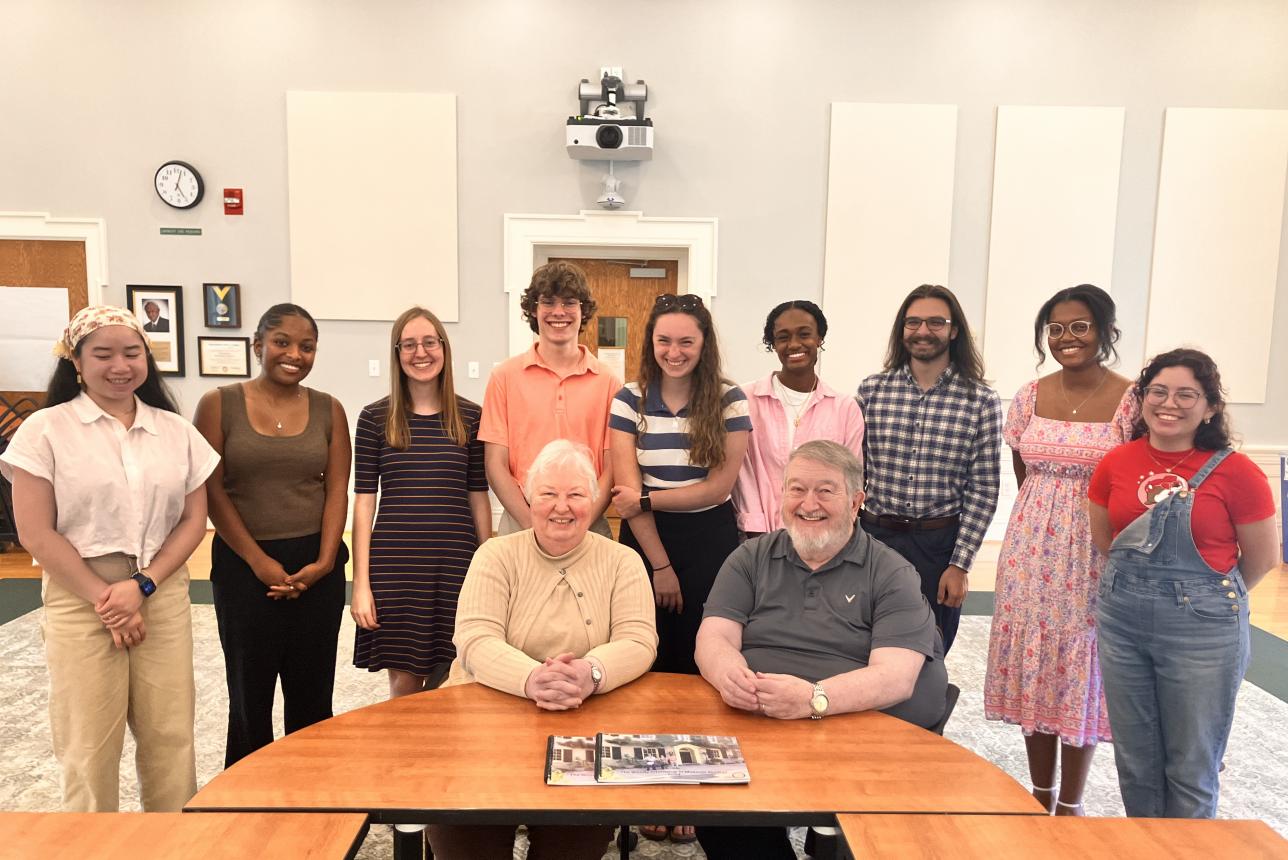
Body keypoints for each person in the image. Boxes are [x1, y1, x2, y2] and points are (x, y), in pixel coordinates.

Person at [0, 306, 217, 811]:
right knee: (88, 744)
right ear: (75, 362)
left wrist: (140, 588)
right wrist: (106, 598)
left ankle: (170, 845)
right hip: (81, 596)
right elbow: (35, 531)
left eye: (132, 352)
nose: (120, 365)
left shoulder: (175, 430)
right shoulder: (45, 429)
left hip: (158, 592)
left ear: (147, 358)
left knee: (170, 736)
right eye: (103, 354)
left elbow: (192, 521)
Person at [695, 440, 948, 858]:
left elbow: (896, 676)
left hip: (857, 733)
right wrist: (728, 676)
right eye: (796, 489)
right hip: (759, 722)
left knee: (869, 842)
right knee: (720, 814)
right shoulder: (749, 558)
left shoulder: (891, 572)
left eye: (825, 491)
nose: (808, 504)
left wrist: (814, 699)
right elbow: (714, 637)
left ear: (855, 502)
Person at [426, 440, 657, 860]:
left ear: (595, 501)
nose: (561, 507)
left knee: (573, 843)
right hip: (485, 722)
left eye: (575, 494)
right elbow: (475, 638)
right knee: (462, 836)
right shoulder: (494, 555)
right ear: (529, 498)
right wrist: (532, 679)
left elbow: (639, 640)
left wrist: (592, 673)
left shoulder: (624, 561)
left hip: (583, 722)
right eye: (548, 493)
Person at [1089, 348, 1278, 819]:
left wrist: (1202, 601)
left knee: (1191, 766)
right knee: (1135, 761)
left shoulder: (1238, 473)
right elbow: (1104, 539)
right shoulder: (1116, 462)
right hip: (1122, 623)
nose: (1169, 403)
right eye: (1158, 391)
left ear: (1210, 406)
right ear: (1142, 399)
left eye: (1186, 394)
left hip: (1203, 631)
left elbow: (1261, 558)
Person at [982, 285, 1135, 815]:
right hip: (1030, 547)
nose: (1067, 338)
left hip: (1093, 546)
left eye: (1080, 326)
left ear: (1106, 331)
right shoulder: (1029, 394)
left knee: (1079, 667)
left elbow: (1134, 477)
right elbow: (1026, 469)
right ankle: (1038, 791)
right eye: (1056, 328)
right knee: (1035, 664)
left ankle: (1070, 803)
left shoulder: (1132, 397)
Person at [609, 293, 751, 845]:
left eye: (686, 341)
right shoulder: (628, 400)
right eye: (664, 340)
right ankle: (651, 787)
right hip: (647, 543)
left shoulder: (730, 399)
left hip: (711, 537)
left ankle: (692, 790)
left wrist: (649, 500)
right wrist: (659, 562)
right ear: (651, 343)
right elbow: (624, 495)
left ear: (703, 344)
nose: (674, 351)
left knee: (701, 661)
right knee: (649, 660)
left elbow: (720, 487)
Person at [193, 303, 351, 768]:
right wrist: (258, 561)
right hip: (243, 566)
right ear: (257, 345)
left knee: (313, 697)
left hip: (316, 566)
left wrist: (324, 562)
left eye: (307, 347)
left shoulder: (329, 408)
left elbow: (337, 488)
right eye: (282, 342)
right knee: (249, 698)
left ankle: (314, 802)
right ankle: (248, 807)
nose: (294, 354)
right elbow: (212, 489)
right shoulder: (219, 403)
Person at [350, 307, 491, 697]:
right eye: (408, 344)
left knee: (456, 672)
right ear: (397, 354)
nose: (420, 352)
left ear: (444, 348)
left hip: (456, 563)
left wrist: (488, 562)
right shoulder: (374, 418)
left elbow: (478, 494)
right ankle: (406, 756)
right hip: (397, 569)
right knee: (405, 682)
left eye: (430, 342)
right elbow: (364, 502)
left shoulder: (471, 417)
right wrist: (361, 584)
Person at [857, 284, 1001, 655]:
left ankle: (920, 715)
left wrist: (960, 565)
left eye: (936, 322)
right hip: (875, 538)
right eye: (913, 322)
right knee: (863, 642)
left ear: (954, 331)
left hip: (939, 547)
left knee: (929, 649)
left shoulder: (980, 400)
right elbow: (854, 474)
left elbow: (983, 490)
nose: (923, 331)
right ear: (901, 330)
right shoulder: (872, 391)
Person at [479, 260, 619, 537]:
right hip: (521, 521)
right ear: (533, 309)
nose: (559, 312)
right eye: (548, 302)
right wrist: (534, 526)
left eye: (569, 303)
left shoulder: (608, 382)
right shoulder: (504, 377)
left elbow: (613, 465)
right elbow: (495, 464)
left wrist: (581, 521)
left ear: (583, 310)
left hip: (588, 522)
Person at [733, 299, 864, 536]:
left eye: (804, 334)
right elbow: (742, 472)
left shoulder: (845, 408)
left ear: (819, 338)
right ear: (773, 344)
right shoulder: (745, 400)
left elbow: (849, 480)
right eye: (783, 337)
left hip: (824, 538)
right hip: (756, 537)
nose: (794, 344)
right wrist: (757, 530)